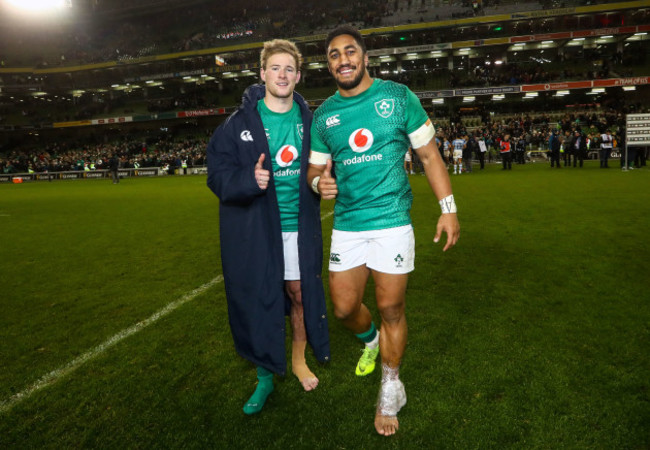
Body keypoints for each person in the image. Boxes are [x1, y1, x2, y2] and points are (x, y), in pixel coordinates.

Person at [306, 25, 460, 436]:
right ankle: (371, 341)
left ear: (365, 57)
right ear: (329, 64)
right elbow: (314, 169)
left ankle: (391, 387)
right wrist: (317, 183)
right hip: (348, 225)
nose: (343, 60)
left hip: (392, 220)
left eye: (350, 52)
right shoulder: (324, 116)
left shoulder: (397, 96)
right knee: (342, 309)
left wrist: (448, 210)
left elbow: (428, 155)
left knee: (391, 308)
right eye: (335, 55)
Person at [206, 39, 330, 415]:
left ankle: (296, 360)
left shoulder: (311, 121)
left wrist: (323, 182)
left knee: (297, 295)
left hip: (298, 225)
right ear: (262, 74)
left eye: (289, 69)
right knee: (262, 298)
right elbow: (217, 176)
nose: (282, 74)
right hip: (257, 229)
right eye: (274, 68)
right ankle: (264, 378)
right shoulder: (237, 124)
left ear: (297, 76)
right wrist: (249, 179)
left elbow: (324, 166)